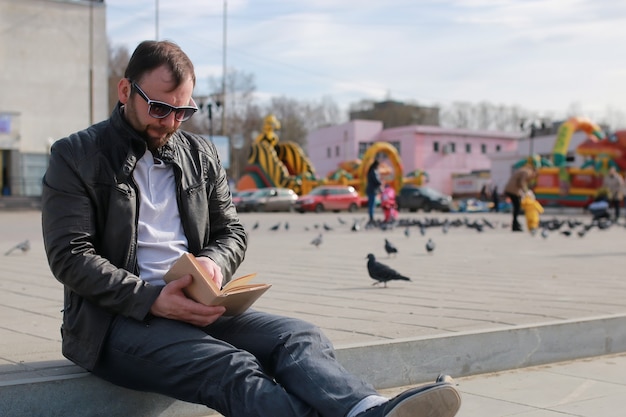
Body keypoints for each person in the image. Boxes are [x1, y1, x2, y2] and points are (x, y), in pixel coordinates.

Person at [41, 40, 461, 417]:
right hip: (114, 323)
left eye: (183, 111)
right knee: (231, 367)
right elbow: (71, 256)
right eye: (159, 108)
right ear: (125, 91)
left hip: (199, 306)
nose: (170, 122)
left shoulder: (199, 153)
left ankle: (367, 409)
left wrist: (212, 265)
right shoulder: (76, 155)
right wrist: (151, 300)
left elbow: (232, 232)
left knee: (299, 337)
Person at [504, 163, 537, 232]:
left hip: (511, 190)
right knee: (517, 207)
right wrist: (527, 191)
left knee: (517, 207)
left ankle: (515, 224)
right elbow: (522, 182)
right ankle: (515, 225)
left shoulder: (523, 170)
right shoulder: (527, 172)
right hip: (513, 191)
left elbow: (519, 182)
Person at [366, 159, 382, 224]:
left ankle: (371, 217)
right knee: (372, 205)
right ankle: (371, 218)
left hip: (371, 189)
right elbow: (376, 181)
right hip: (372, 190)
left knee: (372, 204)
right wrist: (380, 183)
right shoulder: (373, 171)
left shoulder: (371, 171)